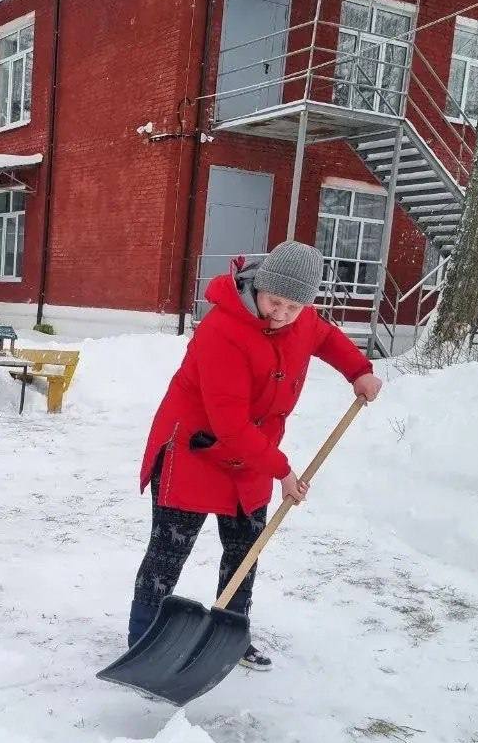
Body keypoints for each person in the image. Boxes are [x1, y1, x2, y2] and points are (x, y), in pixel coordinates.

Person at [130, 241, 382, 670]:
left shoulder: (302, 319)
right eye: (275, 301)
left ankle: (230, 636)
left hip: (251, 455)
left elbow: (325, 337)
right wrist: (282, 470)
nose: (282, 313)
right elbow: (227, 423)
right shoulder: (222, 330)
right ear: (257, 287)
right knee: (169, 551)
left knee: (246, 549)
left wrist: (359, 370)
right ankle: (143, 641)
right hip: (195, 449)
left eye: (294, 306)